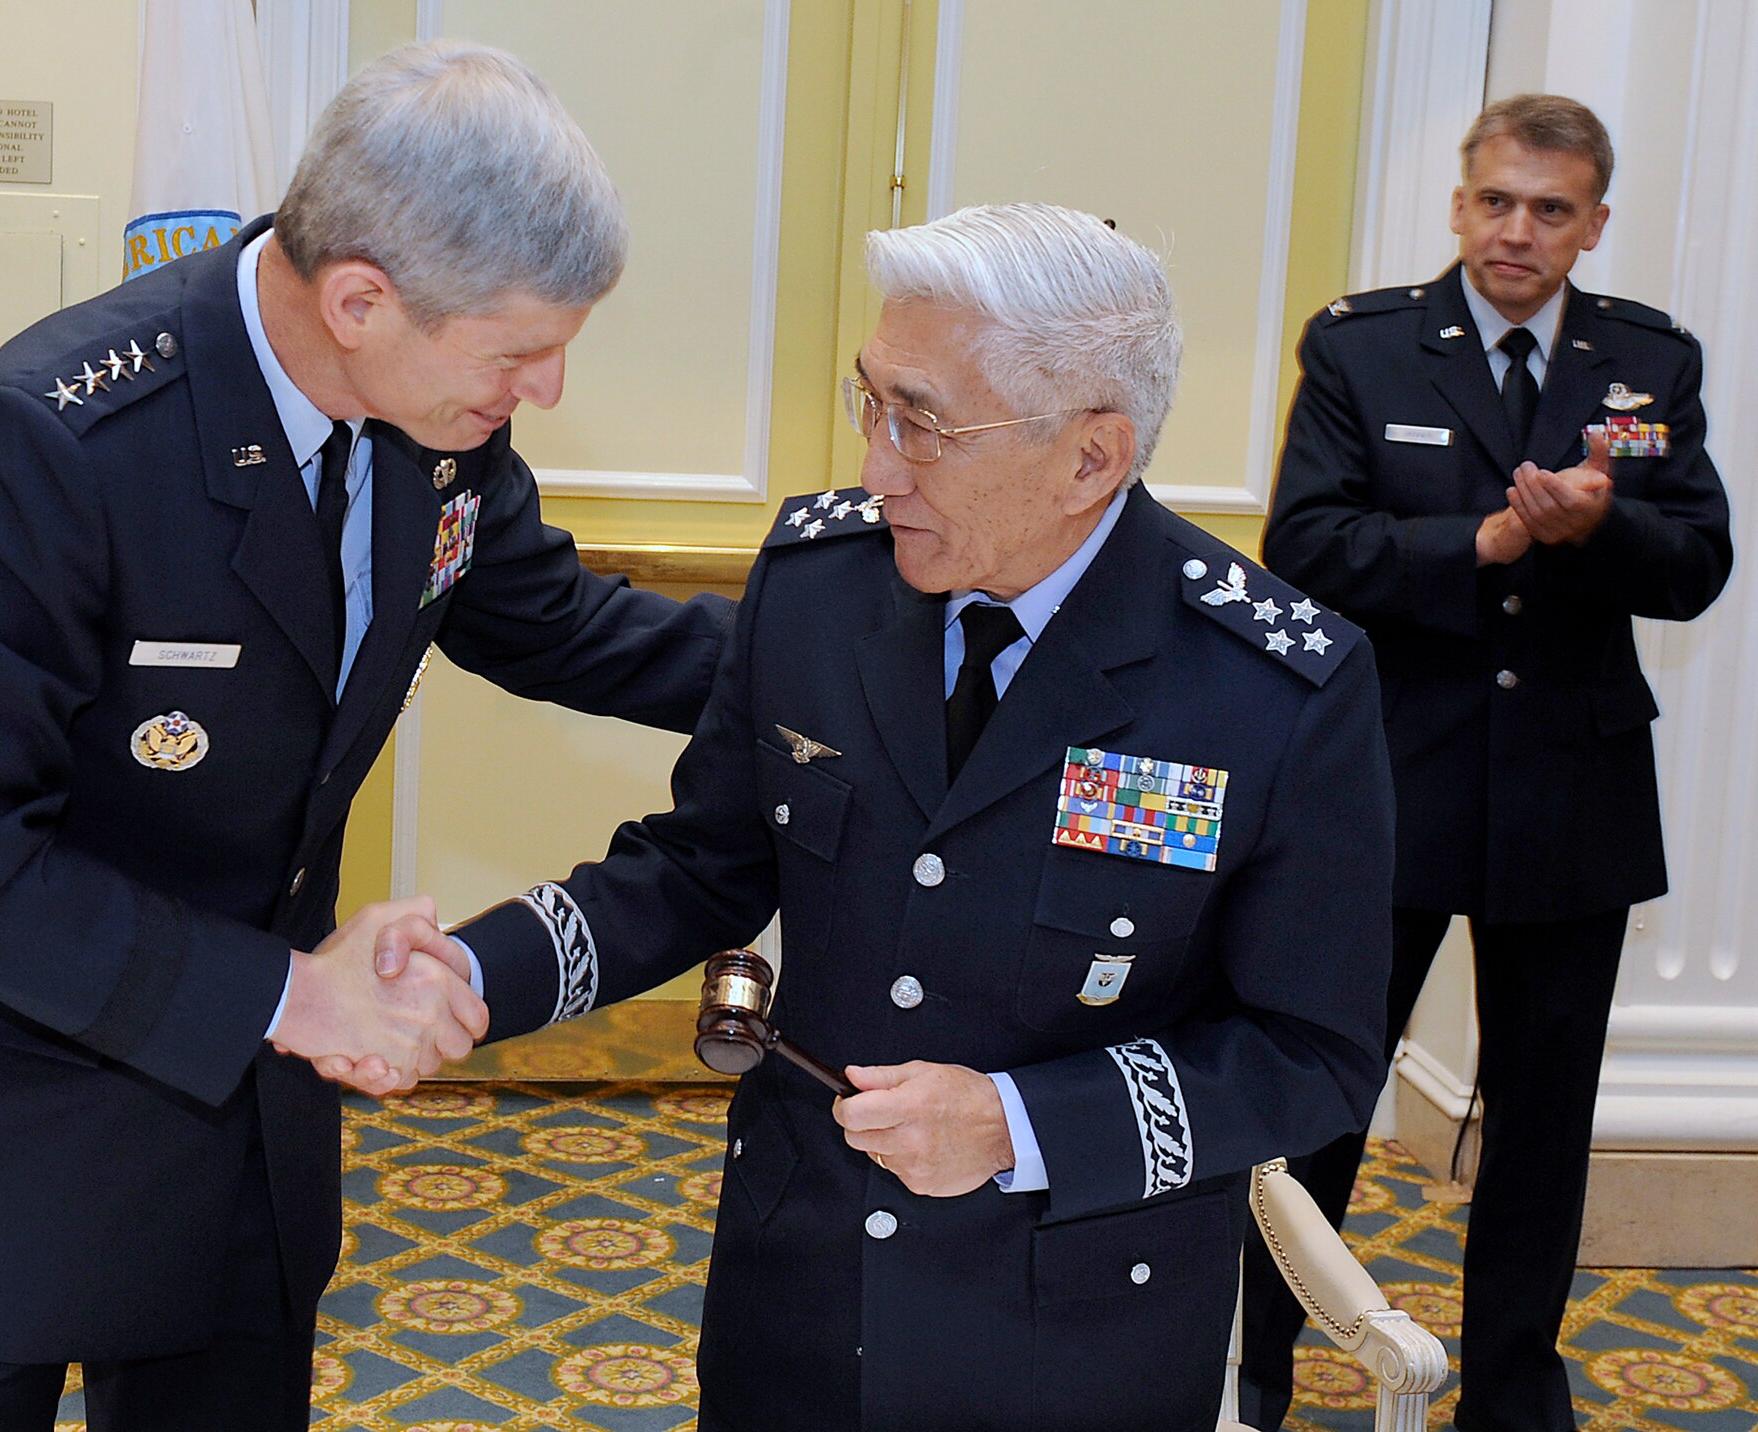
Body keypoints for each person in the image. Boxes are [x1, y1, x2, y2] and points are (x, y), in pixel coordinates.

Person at [0, 41, 731, 1431]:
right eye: (520, 351)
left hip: (240, 1132)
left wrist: (829, 680)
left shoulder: (435, 427)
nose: (541, 391)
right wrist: (303, 996)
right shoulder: (52, 447)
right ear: (360, 299)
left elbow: (559, 624)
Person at [409, 203, 1395, 1431]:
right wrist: (464, 973)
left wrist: (1020, 1123)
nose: (876, 465)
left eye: (922, 421)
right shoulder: (820, 585)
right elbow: (696, 869)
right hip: (800, 1294)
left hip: (1075, 1331)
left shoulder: (1266, 686)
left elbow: (1315, 1052)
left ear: (1090, 456)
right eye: (867, 401)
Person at [1247, 94, 1733, 1432]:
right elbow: (1308, 546)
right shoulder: (1367, 348)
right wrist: (1486, 546)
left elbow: (1696, 566)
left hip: (1570, 790)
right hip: (1389, 778)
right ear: (1460, 205)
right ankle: (1254, 1361)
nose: (1519, 231)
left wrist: (1595, 532)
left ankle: (1515, 1392)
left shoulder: (1648, 368)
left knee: (1542, 1123)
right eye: (1498, 202)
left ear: (1594, 224)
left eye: (1552, 209)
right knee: (1323, 1096)